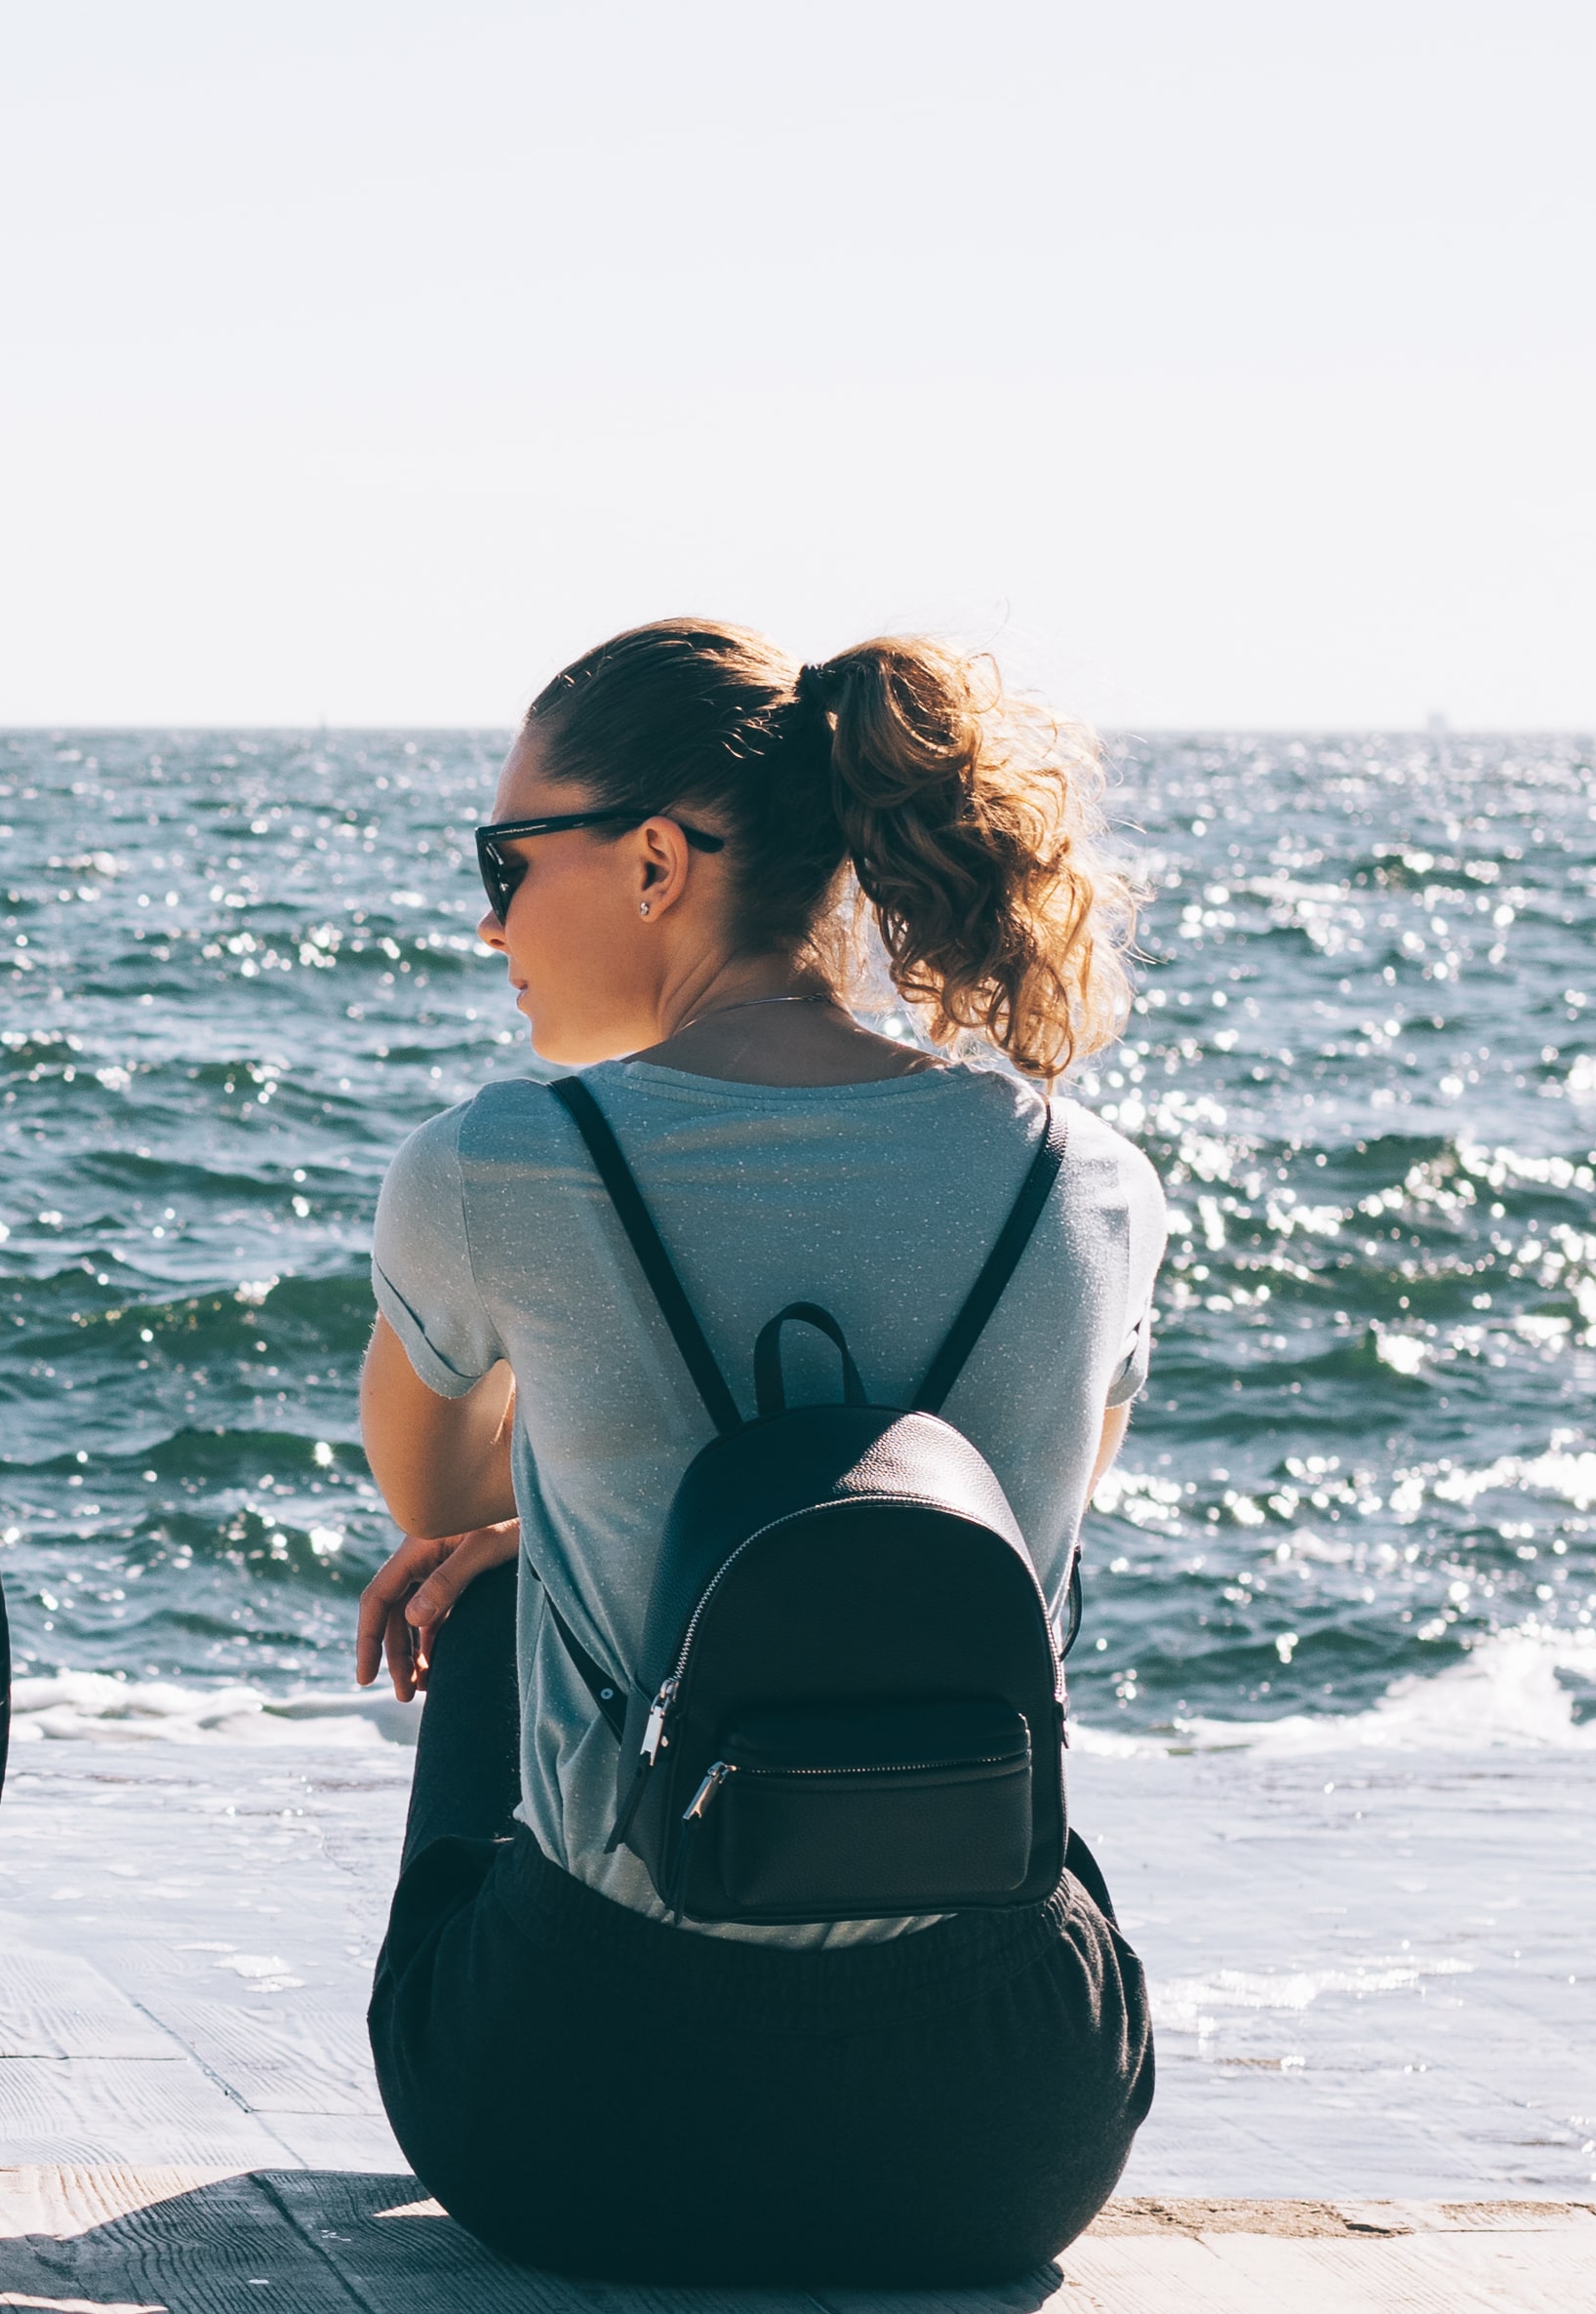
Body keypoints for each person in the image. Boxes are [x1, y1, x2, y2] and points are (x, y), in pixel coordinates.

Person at [343, 619, 1168, 2286]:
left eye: (505, 859)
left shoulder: (499, 1161)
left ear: (654, 861)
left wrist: (551, 1531)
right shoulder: (1089, 1182)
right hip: (1000, 2140)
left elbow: (435, 1503)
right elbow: (1033, 1528)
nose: (484, 914)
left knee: (485, 1591)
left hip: (569, 2122)